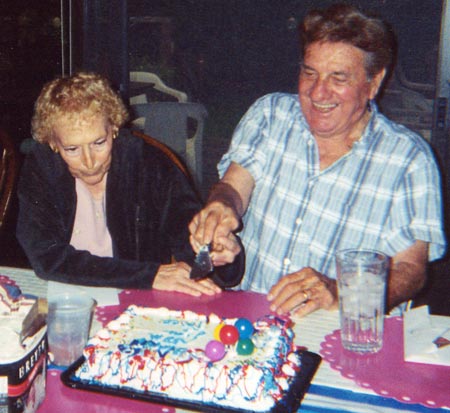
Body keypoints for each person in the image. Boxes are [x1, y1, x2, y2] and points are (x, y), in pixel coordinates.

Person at [189, 4, 446, 316]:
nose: (318, 92)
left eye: (338, 78)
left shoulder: (409, 160)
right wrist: (221, 208)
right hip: (250, 320)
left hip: (338, 331)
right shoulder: (270, 115)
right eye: (309, 73)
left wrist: (343, 292)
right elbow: (232, 188)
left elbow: (410, 270)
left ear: (373, 83)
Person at [16, 72, 244, 296]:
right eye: (72, 149)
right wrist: (148, 275)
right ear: (53, 144)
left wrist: (218, 251)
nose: (89, 162)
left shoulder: (149, 164)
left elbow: (189, 242)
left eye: (99, 142)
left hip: (137, 300)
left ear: (114, 127)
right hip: (64, 296)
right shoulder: (42, 167)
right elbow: (46, 258)